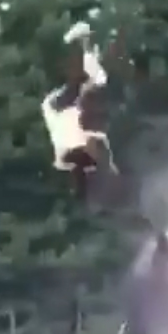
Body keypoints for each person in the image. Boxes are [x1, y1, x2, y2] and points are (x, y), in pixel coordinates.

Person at [40, 21, 119, 201]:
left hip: (82, 157)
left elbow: (87, 86)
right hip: (75, 157)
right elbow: (76, 90)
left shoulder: (69, 102)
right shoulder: (55, 104)